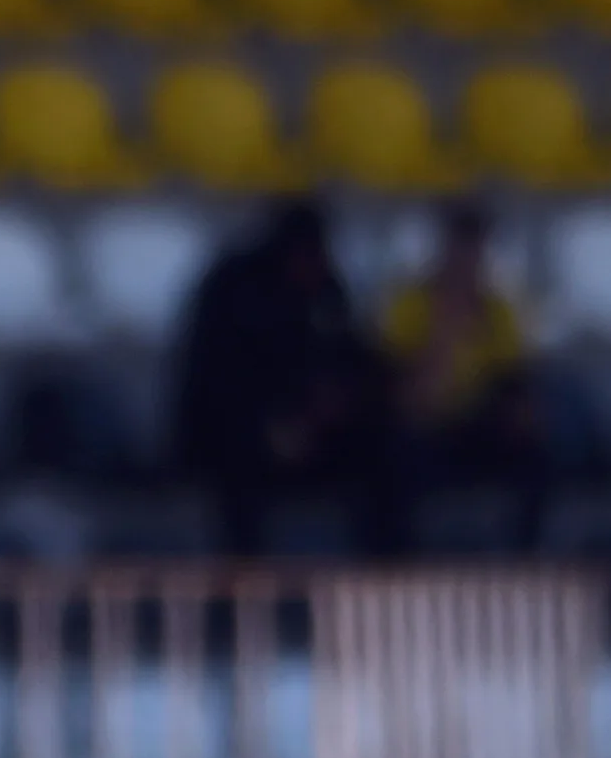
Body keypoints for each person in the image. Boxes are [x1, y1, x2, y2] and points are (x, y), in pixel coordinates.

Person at [176, 200, 399, 554]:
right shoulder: (233, 290)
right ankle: (240, 594)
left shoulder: (327, 289)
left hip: (316, 436)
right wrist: (268, 430)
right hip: (235, 439)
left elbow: (353, 362)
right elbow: (209, 385)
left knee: (387, 458)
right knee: (235, 482)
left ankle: (383, 582)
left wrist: (333, 407)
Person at [380, 201, 545, 549]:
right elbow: (405, 399)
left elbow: (515, 384)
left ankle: (527, 558)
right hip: (427, 430)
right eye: (460, 249)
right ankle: (400, 561)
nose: (467, 262)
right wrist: (445, 333)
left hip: (480, 427)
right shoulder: (410, 306)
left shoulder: (499, 310)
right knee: (393, 457)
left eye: (475, 251)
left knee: (536, 458)